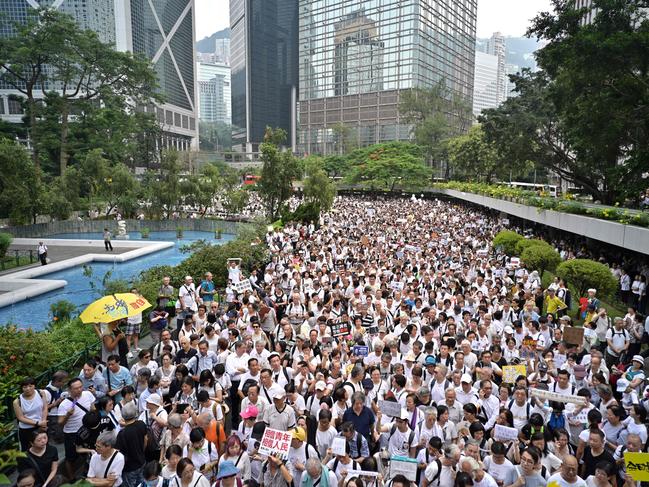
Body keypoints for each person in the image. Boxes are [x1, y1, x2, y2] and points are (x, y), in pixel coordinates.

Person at [57, 378, 95, 480]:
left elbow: (93, 409)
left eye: (80, 387)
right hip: (72, 434)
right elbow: (60, 423)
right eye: (76, 388)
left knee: (90, 452)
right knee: (70, 457)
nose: (79, 390)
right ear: (69, 390)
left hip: (87, 430)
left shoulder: (87, 394)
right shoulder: (64, 405)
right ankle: (72, 478)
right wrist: (68, 415)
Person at [115, 402, 148, 487]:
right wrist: (141, 451)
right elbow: (146, 440)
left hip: (129, 468)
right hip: (142, 461)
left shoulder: (122, 434)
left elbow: (118, 453)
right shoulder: (141, 424)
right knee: (141, 484)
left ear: (123, 416)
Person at [14, 377, 48, 451]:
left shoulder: (41, 393)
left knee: (43, 446)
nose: (28, 389)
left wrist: (43, 422)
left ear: (34, 386)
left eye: (30, 386)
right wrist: (37, 423)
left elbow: (45, 408)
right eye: (25, 387)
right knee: (27, 450)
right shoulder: (17, 401)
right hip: (26, 429)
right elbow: (20, 418)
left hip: (40, 426)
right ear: (22, 388)